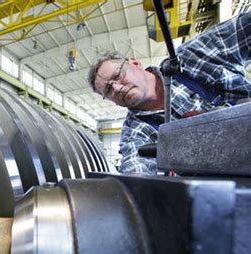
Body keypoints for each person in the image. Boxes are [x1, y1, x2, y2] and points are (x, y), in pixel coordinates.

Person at [87, 12, 250, 175]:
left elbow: (244, 29)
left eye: (117, 76)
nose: (117, 88)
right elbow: (136, 172)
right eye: (108, 90)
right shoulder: (135, 133)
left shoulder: (192, 59)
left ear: (135, 63)